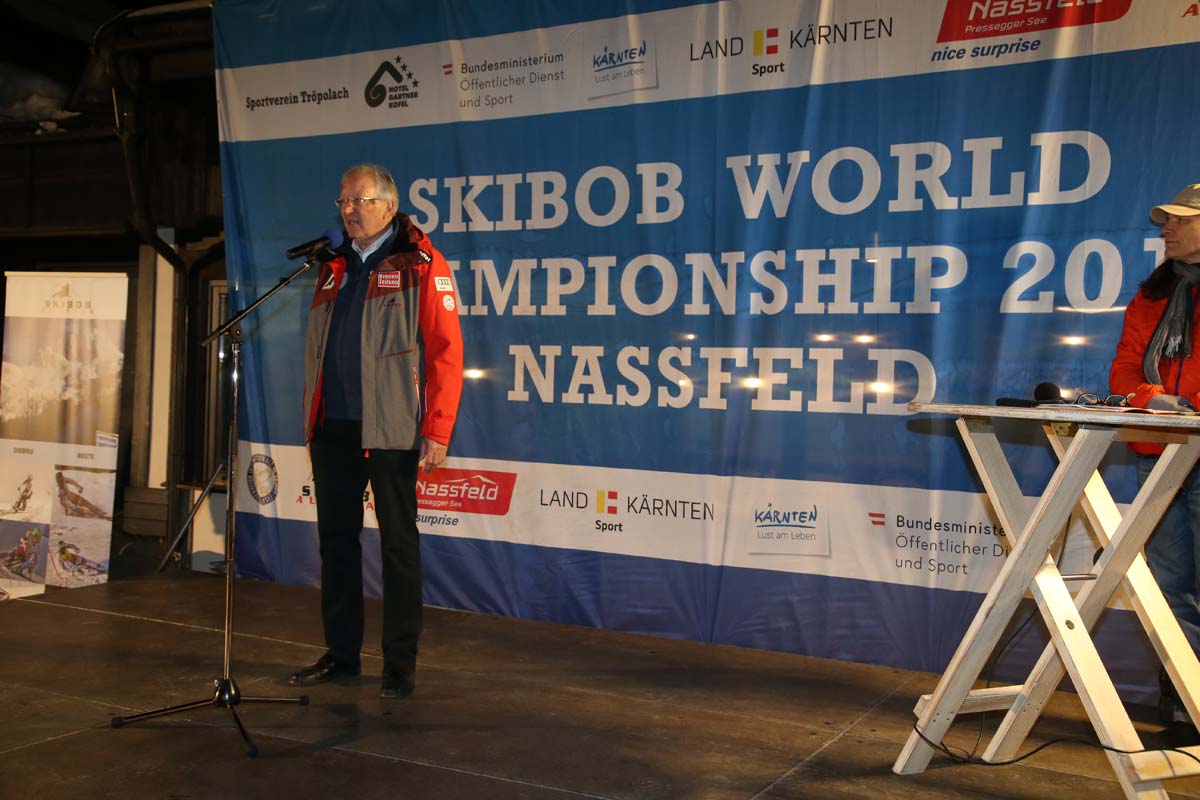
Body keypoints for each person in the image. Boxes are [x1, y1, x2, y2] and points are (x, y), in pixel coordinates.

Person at [290, 164, 463, 699]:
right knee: (336, 545)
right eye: (343, 201)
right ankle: (342, 655)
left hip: (392, 427)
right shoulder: (331, 265)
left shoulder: (421, 263)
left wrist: (437, 428)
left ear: (389, 206)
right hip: (333, 427)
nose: (349, 210)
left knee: (398, 547)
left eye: (360, 200)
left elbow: (446, 351)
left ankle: (399, 665)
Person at [1110, 183, 1200, 724]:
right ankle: (1186, 703)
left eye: (1181, 219)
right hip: (1159, 451)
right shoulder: (1150, 296)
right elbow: (1124, 369)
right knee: (1168, 586)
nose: (1168, 227)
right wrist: (1151, 398)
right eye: (1167, 219)